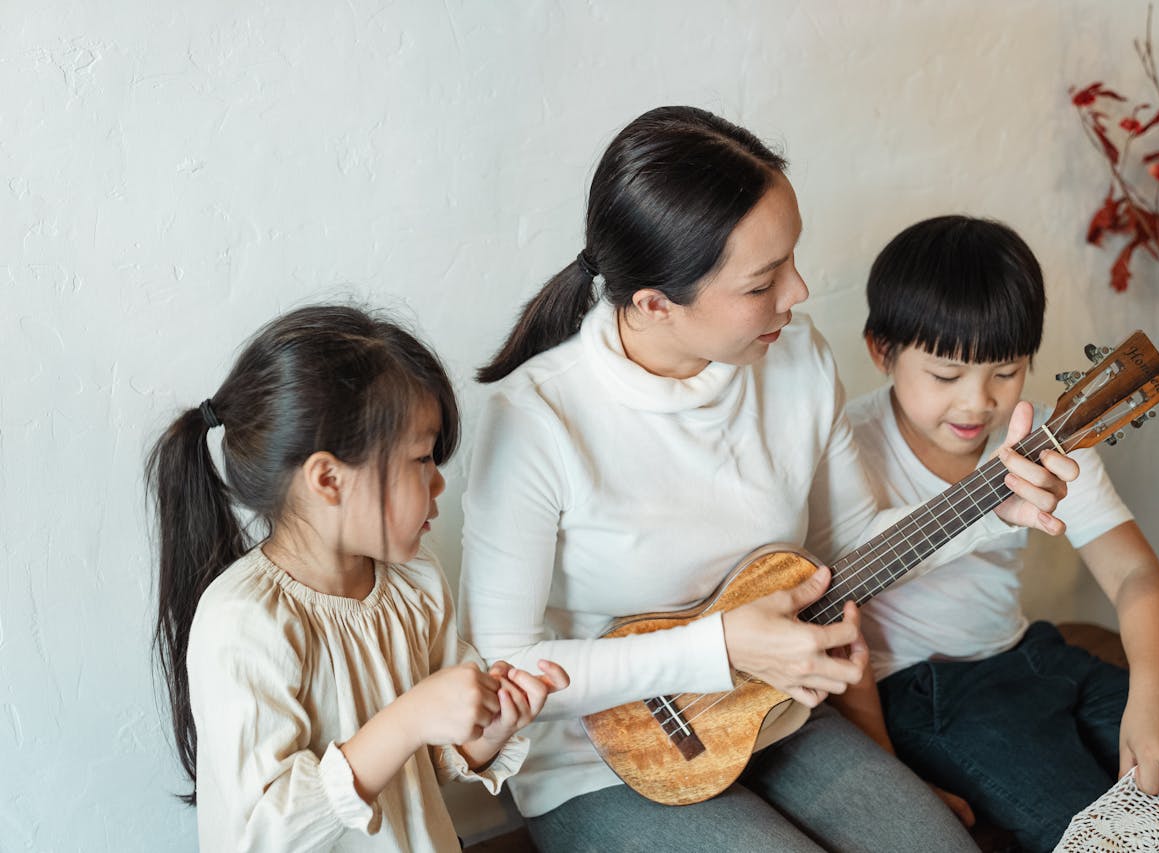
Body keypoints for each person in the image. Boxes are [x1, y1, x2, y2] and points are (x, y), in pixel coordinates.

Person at [458, 107, 1078, 853]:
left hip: (777, 715)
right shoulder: (535, 421)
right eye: (763, 282)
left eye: (793, 258)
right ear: (656, 304)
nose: (800, 290)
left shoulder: (795, 358)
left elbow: (849, 549)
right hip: (603, 761)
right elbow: (508, 668)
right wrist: (719, 647)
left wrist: (993, 509)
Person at [843, 215, 1159, 853]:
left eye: (1006, 371)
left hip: (1030, 653)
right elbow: (836, 627)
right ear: (881, 349)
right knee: (1083, 824)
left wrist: (1157, 699)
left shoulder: (1045, 439)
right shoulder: (845, 445)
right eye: (946, 376)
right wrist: (890, 780)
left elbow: (1134, 574)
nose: (978, 404)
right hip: (923, 690)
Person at [146, 305, 568, 852]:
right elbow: (264, 834)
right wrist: (408, 720)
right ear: (328, 478)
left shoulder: (413, 581)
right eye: (422, 458)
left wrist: (484, 732)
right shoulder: (246, 620)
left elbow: (421, 767)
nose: (439, 482)